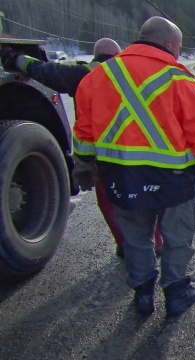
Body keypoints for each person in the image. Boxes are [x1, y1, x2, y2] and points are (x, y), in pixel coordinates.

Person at [72, 17, 195, 317]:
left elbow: (84, 131)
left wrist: (82, 165)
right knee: (177, 237)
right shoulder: (179, 79)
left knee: (135, 237)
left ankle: (143, 294)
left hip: (121, 177)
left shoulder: (96, 77)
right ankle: (176, 293)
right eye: (179, 48)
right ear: (170, 44)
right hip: (174, 182)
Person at [0, 38, 164, 259]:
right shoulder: (137, 75)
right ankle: (156, 242)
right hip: (143, 153)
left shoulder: (86, 74)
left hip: (103, 158)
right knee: (145, 200)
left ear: (96, 56)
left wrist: (17, 59)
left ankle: (128, 246)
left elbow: (47, 72)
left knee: (111, 204)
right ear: (118, 54)